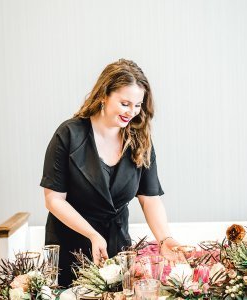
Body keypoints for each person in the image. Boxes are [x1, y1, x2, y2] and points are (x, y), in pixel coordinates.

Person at [40, 59, 179, 287]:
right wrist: (92, 234)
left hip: (118, 250)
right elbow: (53, 200)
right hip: (70, 248)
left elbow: (150, 199)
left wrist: (165, 239)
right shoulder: (69, 134)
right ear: (104, 95)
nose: (132, 112)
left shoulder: (140, 140)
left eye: (138, 105)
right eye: (125, 103)